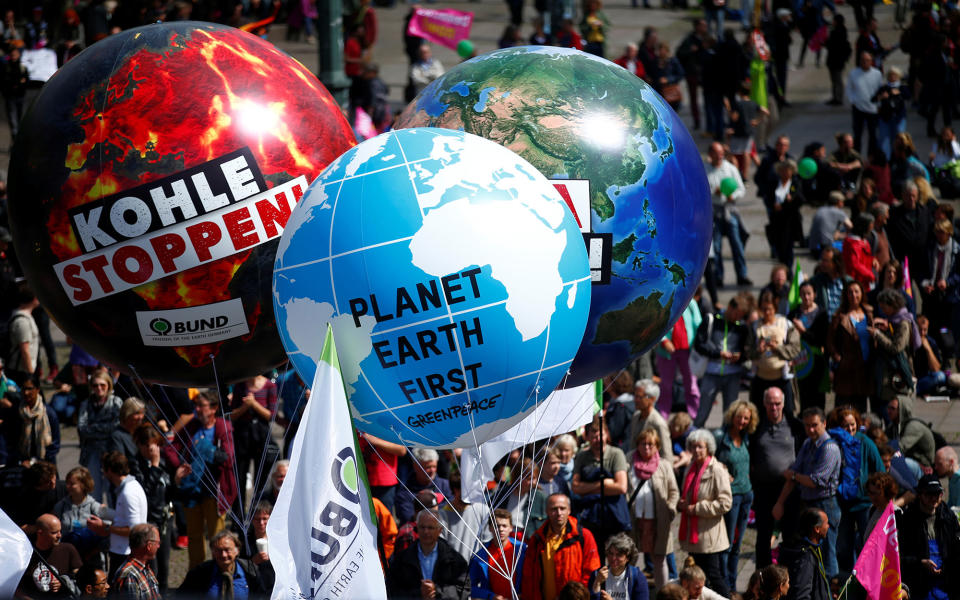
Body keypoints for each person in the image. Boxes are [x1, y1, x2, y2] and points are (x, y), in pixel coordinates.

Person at [162, 391, 236, 570]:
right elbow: (171, 448)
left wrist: (207, 449)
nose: (196, 409)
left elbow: (229, 458)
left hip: (214, 491)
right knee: (194, 537)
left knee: (217, 537)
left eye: (201, 406)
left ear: (213, 409)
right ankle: (197, 576)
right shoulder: (191, 426)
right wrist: (179, 466)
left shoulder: (223, 426)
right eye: (196, 405)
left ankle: (221, 574)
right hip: (192, 491)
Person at [774, 408, 842, 579]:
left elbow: (816, 481)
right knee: (809, 554)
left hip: (825, 504)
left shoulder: (830, 449)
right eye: (807, 426)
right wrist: (780, 502)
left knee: (827, 555)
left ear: (824, 423)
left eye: (814, 425)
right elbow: (793, 475)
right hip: (808, 504)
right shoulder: (807, 444)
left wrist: (795, 476)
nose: (811, 430)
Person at [827, 406, 884, 572]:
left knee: (869, 544)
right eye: (845, 425)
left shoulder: (865, 442)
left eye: (852, 425)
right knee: (844, 545)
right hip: (842, 503)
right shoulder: (834, 443)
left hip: (865, 503)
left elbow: (880, 469)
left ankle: (870, 575)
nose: (850, 429)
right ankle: (849, 578)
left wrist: (876, 494)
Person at [752, 387, 804, 569]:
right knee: (763, 536)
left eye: (777, 403)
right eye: (770, 403)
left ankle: (788, 578)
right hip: (763, 489)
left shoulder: (795, 426)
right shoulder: (756, 426)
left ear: (783, 403)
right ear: (764, 404)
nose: (774, 407)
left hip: (789, 488)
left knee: (791, 534)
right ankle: (762, 578)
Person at [676, 429, 731, 597]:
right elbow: (687, 494)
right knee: (698, 577)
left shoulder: (717, 470)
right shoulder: (690, 468)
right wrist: (681, 504)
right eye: (693, 446)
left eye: (700, 446)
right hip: (694, 535)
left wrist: (696, 508)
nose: (697, 450)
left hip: (710, 535)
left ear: (708, 448)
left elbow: (725, 503)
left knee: (714, 575)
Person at [625, 428, 678, 588]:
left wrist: (670, 509)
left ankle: (663, 594)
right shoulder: (628, 462)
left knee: (659, 559)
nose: (647, 447)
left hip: (658, 521)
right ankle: (628, 592)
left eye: (651, 444)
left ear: (657, 446)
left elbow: (674, 491)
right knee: (630, 558)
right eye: (643, 444)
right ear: (637, 445)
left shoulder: (664, 465)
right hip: (634, 519)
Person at [522, 493, 600, 600]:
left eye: (562, 508)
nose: (559, 513)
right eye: (554, 509)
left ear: (569, 510)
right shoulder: (537, 539)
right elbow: (529, 577)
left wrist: (578, 595)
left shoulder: (583, 536)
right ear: (547, 512)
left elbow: (591, 571)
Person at [693, 292, 754, 428]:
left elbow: (748, 350)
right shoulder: (712, 319)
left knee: (730, 414)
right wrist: (718, 354)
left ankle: (725, 442)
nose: (737, 318)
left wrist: (740, 357)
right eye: (736, 314)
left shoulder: (742, 326)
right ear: (730, 308)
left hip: (733, 374)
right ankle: (694, 438)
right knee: (702, 412)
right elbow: (699, 344)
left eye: (741, 316)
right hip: (711, 372)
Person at [715, 400, 758, 589]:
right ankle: (723, 583)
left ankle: (732, 584)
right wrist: (722, 469)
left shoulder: (747, 437)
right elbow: (711, 460)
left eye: (746, 418)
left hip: (747, 494)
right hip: (731, 497)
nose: (742, 421)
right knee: (727, 544)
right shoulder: (720, 437)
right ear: (732, 416)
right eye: (739, 417)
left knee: (738, 544)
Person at [896, 474, 960, 599]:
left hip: (946, 585)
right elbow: (900, 557)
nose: (934, 498)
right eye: (929, 494)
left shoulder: (949, 517)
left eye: (937, 494)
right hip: (920, 586)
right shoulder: (908, 520)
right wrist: (920, 563)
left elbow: (956, 549)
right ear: (920, 495)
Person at [86, 451, 148, 579]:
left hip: (125, 554)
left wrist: (105, 528)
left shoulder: (128, 493)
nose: (102, 473)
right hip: (122, 552)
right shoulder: (128, 488)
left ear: (109, 470)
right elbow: (125, 518)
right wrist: (107, 513)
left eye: (103, 469)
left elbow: (134, 530)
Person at [572, 416, 630, 553]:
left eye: (600, 436)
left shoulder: (616, 454)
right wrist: (602, 484)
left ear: (606, 434)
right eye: (593, 437)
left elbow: (621, 486)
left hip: (614, 516)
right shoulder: (582, 457)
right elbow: (575, 487)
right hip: (591, 517)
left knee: (617, 554)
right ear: (587, 437)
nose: (597, 440)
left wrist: (587, 487)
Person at [388, 509, 470, 600]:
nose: (426, 532)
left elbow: (464, 590)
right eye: (422, 527)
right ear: (417, 528)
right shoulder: (402, 559)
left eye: (430, 528)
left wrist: (437, 592)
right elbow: (392, 591)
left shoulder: (455, 560)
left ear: (440, 530)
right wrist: (419, 594)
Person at [132, 424, 173, 594]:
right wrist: (154, 467)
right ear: (140, 446)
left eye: (155, 444)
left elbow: (169, 490)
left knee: (164, 564)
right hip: (150, 521)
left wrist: (177, 480)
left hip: (164, 519)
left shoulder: (163, 461)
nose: (152, 449)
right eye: (148, 445)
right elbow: (145, 491)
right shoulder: (135, 465)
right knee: (152, 565)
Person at [229, 373, 278, 515]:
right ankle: (238, 517)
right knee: (240, 478)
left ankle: (258, 514)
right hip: (242, 435)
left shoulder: (270, 385)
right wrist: (245, 406)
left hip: (261, 435)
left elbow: (271, 415)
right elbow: (232, 415)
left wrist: (254, 404)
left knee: (261, 480)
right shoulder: (240, 385)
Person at [706, 142, 751, 287]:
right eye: (717, 153)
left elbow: (741, 189)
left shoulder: (730, 169)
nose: (720, 156)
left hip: (729, 210)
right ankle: (719, 276)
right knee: (716, 247)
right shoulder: (706, 170)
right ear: (710, 154)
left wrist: (733, 196)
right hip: (714, 211)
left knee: (737, 244)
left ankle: (742, 275)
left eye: (721, 153)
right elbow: (702, 191)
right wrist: (715, 193)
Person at [750, 292, 801, 416]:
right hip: (761, 378)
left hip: (782, 378)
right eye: (764, 309)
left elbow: (795, 348)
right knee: (758, 414)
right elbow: (747, 351)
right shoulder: (754, 327)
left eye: (770, 309)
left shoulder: (786, 325)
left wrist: (778, 348)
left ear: (775, 308)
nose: (767, 312)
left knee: (788, 412)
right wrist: (758, 350)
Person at [178, 530, 270, 598]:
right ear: (213, 552)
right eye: (218, 550)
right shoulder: (199, 573)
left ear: (237, 550)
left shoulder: (250, 571)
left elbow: (261, 596)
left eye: (227, 550)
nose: (223, 555)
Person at [827, 281, 874, 413]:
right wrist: (838, 359)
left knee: (861, 410)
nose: (854, 295)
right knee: (842, 410)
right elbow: (830, 342)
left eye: (856, 291)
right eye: (850, 292)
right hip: (846, 370)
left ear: (862, 294)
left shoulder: (869, 313)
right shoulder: (839, 316)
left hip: (864, 369)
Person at [77, 370, 122, 501]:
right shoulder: (86, 404)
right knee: (93, 490)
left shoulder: (116, 402)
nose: (99, 388)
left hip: (110, 452)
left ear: (108, 385)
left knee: (112, 490)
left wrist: (94, 427)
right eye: (95, 385)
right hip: (91, 452)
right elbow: (82, 427)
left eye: (102, 385)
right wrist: (103, 427)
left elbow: (116, 426)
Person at [655, 300, 702, 424]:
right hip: (666, 350)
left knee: (691, 384)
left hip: (688, 349)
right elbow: (655, 322)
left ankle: (695, 415)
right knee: (665, 385)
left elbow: (698, 323)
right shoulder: (664, 298)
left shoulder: (690, 302)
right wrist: (664, 340)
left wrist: (698, 344)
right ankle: (663, 416)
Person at [17, 513, 83, 598]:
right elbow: (15, 586)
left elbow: (80, 576)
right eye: (54, 532)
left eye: (60, 531)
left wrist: (64, 581)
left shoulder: (68, 549)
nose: (59, 535)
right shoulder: (26, 553)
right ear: (40, 532)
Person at [54, 466, 109, 564]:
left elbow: (106, 533)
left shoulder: (95, 507)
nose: (68, 486)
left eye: (72, 484)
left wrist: (94, 551)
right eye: (67, 483)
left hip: (91, 560)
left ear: (83, 485)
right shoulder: (60, 507)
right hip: (68, 560)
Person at [789, 282, 830, 410]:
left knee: (817, 400)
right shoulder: (794, 314)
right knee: (802, 399)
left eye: (809, 294)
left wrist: (803, 331)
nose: (806, 297)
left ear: (815, 295)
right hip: (799, 362)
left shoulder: (821, 314)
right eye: (803, 294)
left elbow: (820, 339)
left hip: (817, 363)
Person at [469, 508, 525, 600]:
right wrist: (490, 596)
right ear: (490, 528)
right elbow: (470, 587)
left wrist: (523, 594)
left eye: (504, 526)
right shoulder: (481, 555)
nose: (501, 529)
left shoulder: (522, 550)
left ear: (511, 528)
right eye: (496, 526)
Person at [920, 219, 960, 337]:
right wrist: (925, 283)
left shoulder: (956, 250)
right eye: (937, 231)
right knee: (931, 324)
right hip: (932, 293)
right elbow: (923, 269)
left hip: (949, 295)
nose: (939, 235)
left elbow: (958, 274)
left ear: (949, 233)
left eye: (942, 232)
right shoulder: (930, 248)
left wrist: (947, 282)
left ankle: (947, 349)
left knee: (945, 327)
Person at [888, 181, 934, 284]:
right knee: (908, 293)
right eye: (908, 196)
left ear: (917, 196)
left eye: (913, 196)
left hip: (922, 262)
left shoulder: (924, 212)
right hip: (904, 262)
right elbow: (890, 237)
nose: (911, 199)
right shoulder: (894, 214)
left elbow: (931, 232)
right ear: (903, 196)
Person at [782, 508, 831, 600]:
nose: (828, 526)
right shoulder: (806, 558)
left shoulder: (813, 549)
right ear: (817, 529)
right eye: (826, 523)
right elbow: (801, 594)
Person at [395, 447, 453, 525]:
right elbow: (407, 517)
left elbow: (453, 509)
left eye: (434, 466)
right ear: (416, 466)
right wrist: (438, 509)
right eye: (428, 467)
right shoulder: (405, 492)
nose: (432, 470)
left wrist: (424, 510)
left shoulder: (445, 486)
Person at [765, 161, 805, 270]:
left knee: (788, 247)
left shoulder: (795, 184)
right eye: (783, 170)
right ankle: (782, 267)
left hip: (791, 220)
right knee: (779, 247)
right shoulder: (774, 183)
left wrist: (791, 200)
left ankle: (788, 271)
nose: (785, 173)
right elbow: (767, 198)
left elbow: (801, 200)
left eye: (788, 170)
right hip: (777, 220)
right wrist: (773, 205)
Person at [14, 377, 60, 466]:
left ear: (37, 389)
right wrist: (20, 461)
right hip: (22, 464)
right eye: (23, 389)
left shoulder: (49, 414)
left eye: (29, 389)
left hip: (45, 465)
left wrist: (35, 461)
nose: (26, 393)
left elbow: (55, 444)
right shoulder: (18, 413)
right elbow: (12, 440)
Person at [588, 533, 648, 600]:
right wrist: (597, 583)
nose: (613, 558)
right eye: (610, 553)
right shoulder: (597, 575)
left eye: (619, 555)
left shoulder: (637, 577)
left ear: (628, 558)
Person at [846, 52, 883, 155]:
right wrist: (853, 100)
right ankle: (856, 156)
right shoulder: (854, 73)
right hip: (858, 108)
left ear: (871, 61)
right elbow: (849, 89)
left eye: (867, 60)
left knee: (873, 135)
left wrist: (879, 104)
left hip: (873, 109)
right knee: (857, 134)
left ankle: (871, 156)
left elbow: (880, 90)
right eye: (862, 60)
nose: (865, 62)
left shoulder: (877, 74)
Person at [885, 394, 936, 470]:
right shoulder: (894, 425)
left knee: (892, 462)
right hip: (911, 459)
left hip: (924, 465)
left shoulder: (914, 426)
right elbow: (885, 441)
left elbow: (900, 447)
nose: (888, 411)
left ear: (903, 410)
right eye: (888, 407)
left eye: (892, 408)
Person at [112, 523, 161, 600]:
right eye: (158, 543)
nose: (159, 546)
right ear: (149, 546)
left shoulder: (145, 568)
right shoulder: (130, 576)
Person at [629, 380, 673, 463]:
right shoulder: (636, 416)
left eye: (640, 397)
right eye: (635, 396)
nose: (636, 400)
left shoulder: (658, 423)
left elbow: (666, 454)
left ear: (652, 399)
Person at [676, 19, 708, 130]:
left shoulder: (707, 38)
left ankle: (710, 123)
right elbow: (679, 53)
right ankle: (697, 121)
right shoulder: (689, 39)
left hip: (705, 72)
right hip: (693, 73)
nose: (705, 28)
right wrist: (691, 51)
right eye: (703, 25)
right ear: (697, 27)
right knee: (693, 98)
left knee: (708, 98)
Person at [7, 283, 41, 387]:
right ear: (34, 299)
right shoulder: (22, 322)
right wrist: (31, 375)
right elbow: (25, 350)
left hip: (26, 370)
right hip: (22, 373)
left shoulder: (27, 317)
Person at [109, 398, 145, 482]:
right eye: (137, 413)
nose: (141, 417)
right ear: (126, 414)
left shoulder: (141, 431)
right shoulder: (117, 436)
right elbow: (119, 464)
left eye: (142, 413)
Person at [874, 67, 907, 159]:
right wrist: (881, 97)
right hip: (885, 118)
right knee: (884, 140)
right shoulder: (884, 88)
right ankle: (885, 160)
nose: (892, 77)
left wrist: (898, 93)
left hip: (898, 118)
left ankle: (899, 157)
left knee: (899, 139)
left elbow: (908, 96)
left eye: (894, 75)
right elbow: (873, 99)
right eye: (890, 75)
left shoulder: (902, 87)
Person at [808, 192, 852, 258]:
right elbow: (851, 226)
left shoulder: (820, 210)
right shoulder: (839, 213)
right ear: (839, 202)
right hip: (826, 248)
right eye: (842, 202)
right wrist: (843, 235)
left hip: (813, 246)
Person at [825, 14, 851, 106]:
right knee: (836, 80)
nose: (833, 22)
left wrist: (825, 42)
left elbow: (831, 45)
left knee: (837, 79)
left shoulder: (836, 32)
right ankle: (836, 97)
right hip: (838, 60)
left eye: (834, 20)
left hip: (835, 60)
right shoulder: (843, 31)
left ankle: (838, 98)